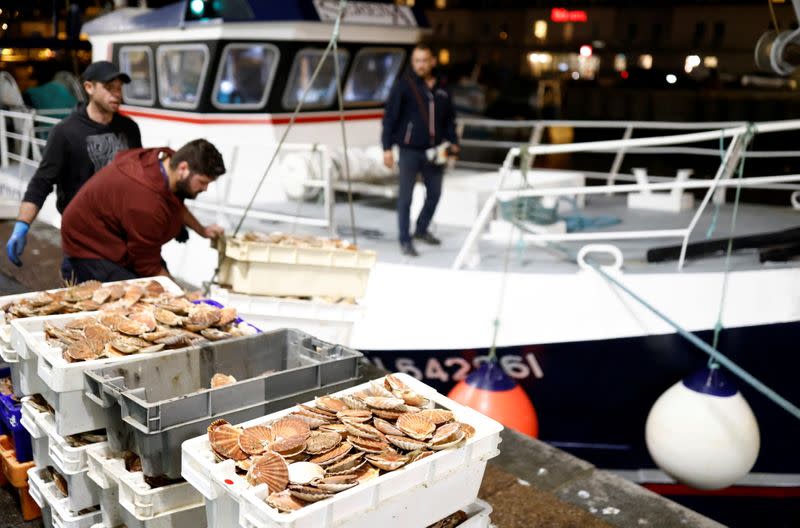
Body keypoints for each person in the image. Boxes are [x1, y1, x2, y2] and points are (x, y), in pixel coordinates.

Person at [6, 61, 141, 271]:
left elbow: (139, 177)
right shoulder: (65, 132)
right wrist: (22, 225)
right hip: (83, 239)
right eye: (108, 88)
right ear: (89, 88)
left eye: (119, 88)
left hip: (124, 234)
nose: (116, 95)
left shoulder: (129, 128)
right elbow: (41, 182)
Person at [60, 139, 226, 282]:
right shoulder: (146, 201)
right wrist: (182, 296)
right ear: (183, 168)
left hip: (118, 237)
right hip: (88, 250)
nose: (205, 189)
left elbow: (175, 202)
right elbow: (147, 265)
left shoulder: (164, 163)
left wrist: (202, 230)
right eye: (203, 182)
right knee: (143, 302)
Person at [381, 44, 460, 257]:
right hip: (409, 151)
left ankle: (422, 229)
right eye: (417, 61)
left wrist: (454, 141)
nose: (421, 65)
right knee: (405, 198)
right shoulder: (403, 86)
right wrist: (387, 148)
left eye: (424, 60)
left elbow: (450, 119)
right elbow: (389, 119)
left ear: (433, 61)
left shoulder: (443, 87)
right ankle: (405, 240)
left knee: (435, 193)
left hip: (436, 151)